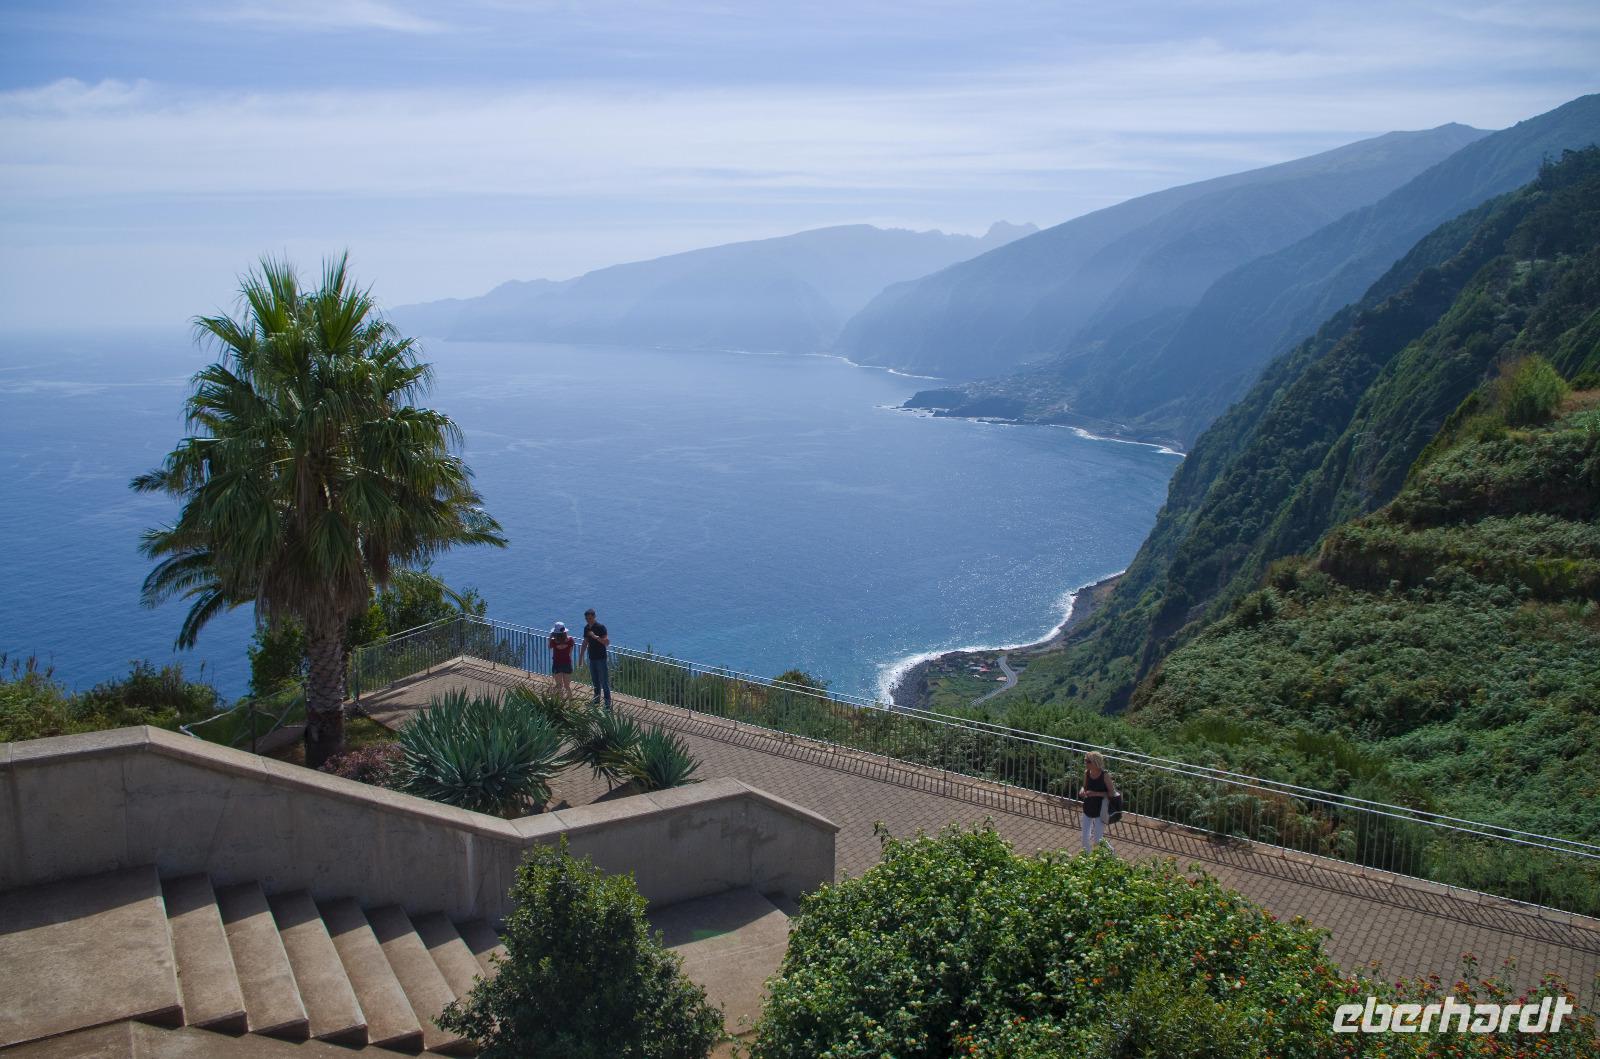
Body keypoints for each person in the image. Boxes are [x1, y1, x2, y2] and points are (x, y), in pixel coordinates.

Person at [1079, 751, 1117, 853]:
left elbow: (1112, 793)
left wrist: (1095, 794)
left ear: (1095, 762)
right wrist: (1082, 790)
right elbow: (1084, 786)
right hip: (1088, 808)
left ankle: (1111, 851)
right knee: (1084, 838)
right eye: (1085, 760)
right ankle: (1087, 858)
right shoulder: (1087, 773)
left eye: (1088, 761)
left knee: (1097, 840)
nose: (1085, 762)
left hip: (1100, 810)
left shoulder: (1104, 775)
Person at [578, 608, 611, 709]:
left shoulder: (601, 627)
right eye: (587, 619)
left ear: (594, 617)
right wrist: (581, 657)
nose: (589, 620)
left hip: (601, 658)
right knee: (595, 681)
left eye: (590, 618)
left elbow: (607, 643)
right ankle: (596, 701)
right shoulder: (586, 628)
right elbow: (585, 643)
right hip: (592, 658)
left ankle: (607, 704)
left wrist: (595, 636)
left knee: (604, 681)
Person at [548, 622, 576, 698]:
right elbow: (570, 653)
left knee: (559, 686)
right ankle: (571, 703)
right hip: (567, 663)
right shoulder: (570, 640)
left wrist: (550, 636)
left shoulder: (553, 642)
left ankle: (560, 703)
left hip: (557, 664)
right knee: (567, 686)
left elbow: (549, 646)